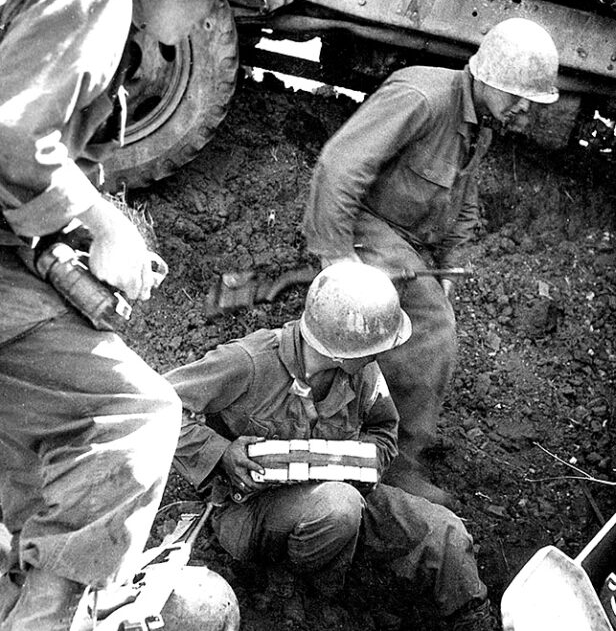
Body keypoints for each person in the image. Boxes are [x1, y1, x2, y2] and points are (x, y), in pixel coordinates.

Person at [0, 0, 264, 630]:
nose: (216, 12)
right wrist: (103, 226)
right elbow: (14, 136)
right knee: (133, 413)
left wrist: (87, 232)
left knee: (41, 447)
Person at [302, 16, 560, 505]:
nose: (524, 109)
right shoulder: (423, 98)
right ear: (485, 77)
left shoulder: (481, 123)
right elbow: (337, 169)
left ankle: (379, 426)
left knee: (418, 321)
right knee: (432, 335)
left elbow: (463, 203)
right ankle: (396, 466)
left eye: (532, 100)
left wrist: (449, 269)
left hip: (408, 245)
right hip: (365, 223)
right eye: (517, 95)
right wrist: (336, 263)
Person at [165, 262, 495, 629]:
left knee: (442, 530)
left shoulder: (361, 373)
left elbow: (384, 429)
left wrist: (357, 461)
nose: (379, 356)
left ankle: (474, 619)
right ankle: (307, 596)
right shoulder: (250, 363)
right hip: (251, 511)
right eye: (374, 349)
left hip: (340, 494)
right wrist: (221, 454)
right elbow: (159, 406)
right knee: (339, 508)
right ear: (342, 352)